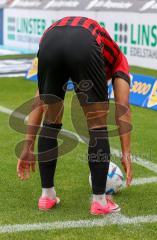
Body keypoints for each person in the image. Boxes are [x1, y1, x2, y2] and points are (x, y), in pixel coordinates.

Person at [17, 16, 133, 215]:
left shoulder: (60, 36)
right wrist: (126, 152)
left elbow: (39, 101)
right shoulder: (118, 59)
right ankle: (99, 202)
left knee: (51, 119)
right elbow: (123, 107)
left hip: (49, 40)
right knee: (97, 123)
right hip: (84, 41)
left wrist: (27, 145)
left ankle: (47, 196)